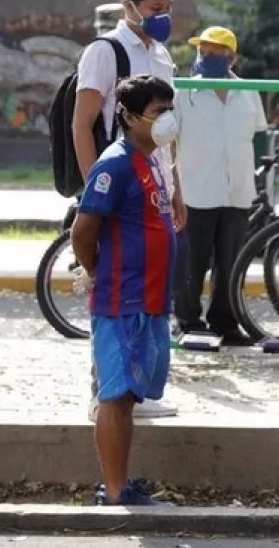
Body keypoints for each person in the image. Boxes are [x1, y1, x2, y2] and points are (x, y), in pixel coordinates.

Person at [75, 0, 184, 422]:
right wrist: (93, 191)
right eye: (155, 8)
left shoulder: (161, 55)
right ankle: (107, 393)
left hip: (155, 187)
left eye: (168, 8)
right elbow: (82, 122)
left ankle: (137, 390)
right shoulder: (105, 51)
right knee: (113, 292)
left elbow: (171, 131)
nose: (163, 16)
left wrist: (176, 188)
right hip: (117, 189)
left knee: (149, 292)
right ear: (129, 5)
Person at [70, 75, 179, 506]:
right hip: (122, 301)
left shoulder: (151, 158)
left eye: (169, 110)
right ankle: (114, 492)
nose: (167, 120)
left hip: (150, 300)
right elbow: (83, 230)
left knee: (130, 395)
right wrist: (97, 272)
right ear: (130, 117)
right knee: (115, 395)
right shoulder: (113, 164)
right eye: (157, 112)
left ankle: (120, 483)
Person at [172, 26, 267, 347]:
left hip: (237, 191)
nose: (207, 57)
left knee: (231, 264)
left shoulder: (248, 90)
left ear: (232, 57)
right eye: (203, 52)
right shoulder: (184, 92)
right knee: (192, 261)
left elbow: (257, 131)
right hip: (196, 190)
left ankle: (226, 324)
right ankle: (187, 320)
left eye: (215, 52)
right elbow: (170, 141)